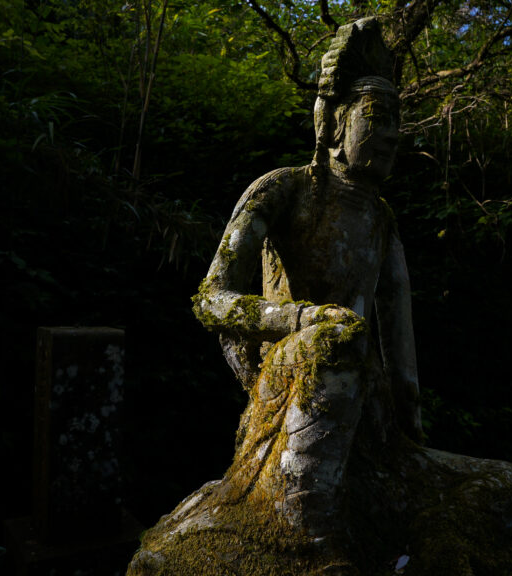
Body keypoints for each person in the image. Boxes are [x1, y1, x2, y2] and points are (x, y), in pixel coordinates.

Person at [191, 17, 421, 535]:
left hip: (371, 409)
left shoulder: (382, 221)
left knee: (504, 485)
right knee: (338, 340)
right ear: (335, 122)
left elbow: (400, 339)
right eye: (378, 117)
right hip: (296, 377)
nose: (392, 136)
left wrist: (411, 426)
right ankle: (311, 541)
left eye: (397, 123)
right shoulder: (284, 190)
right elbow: (210, 299)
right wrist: (300, 320)